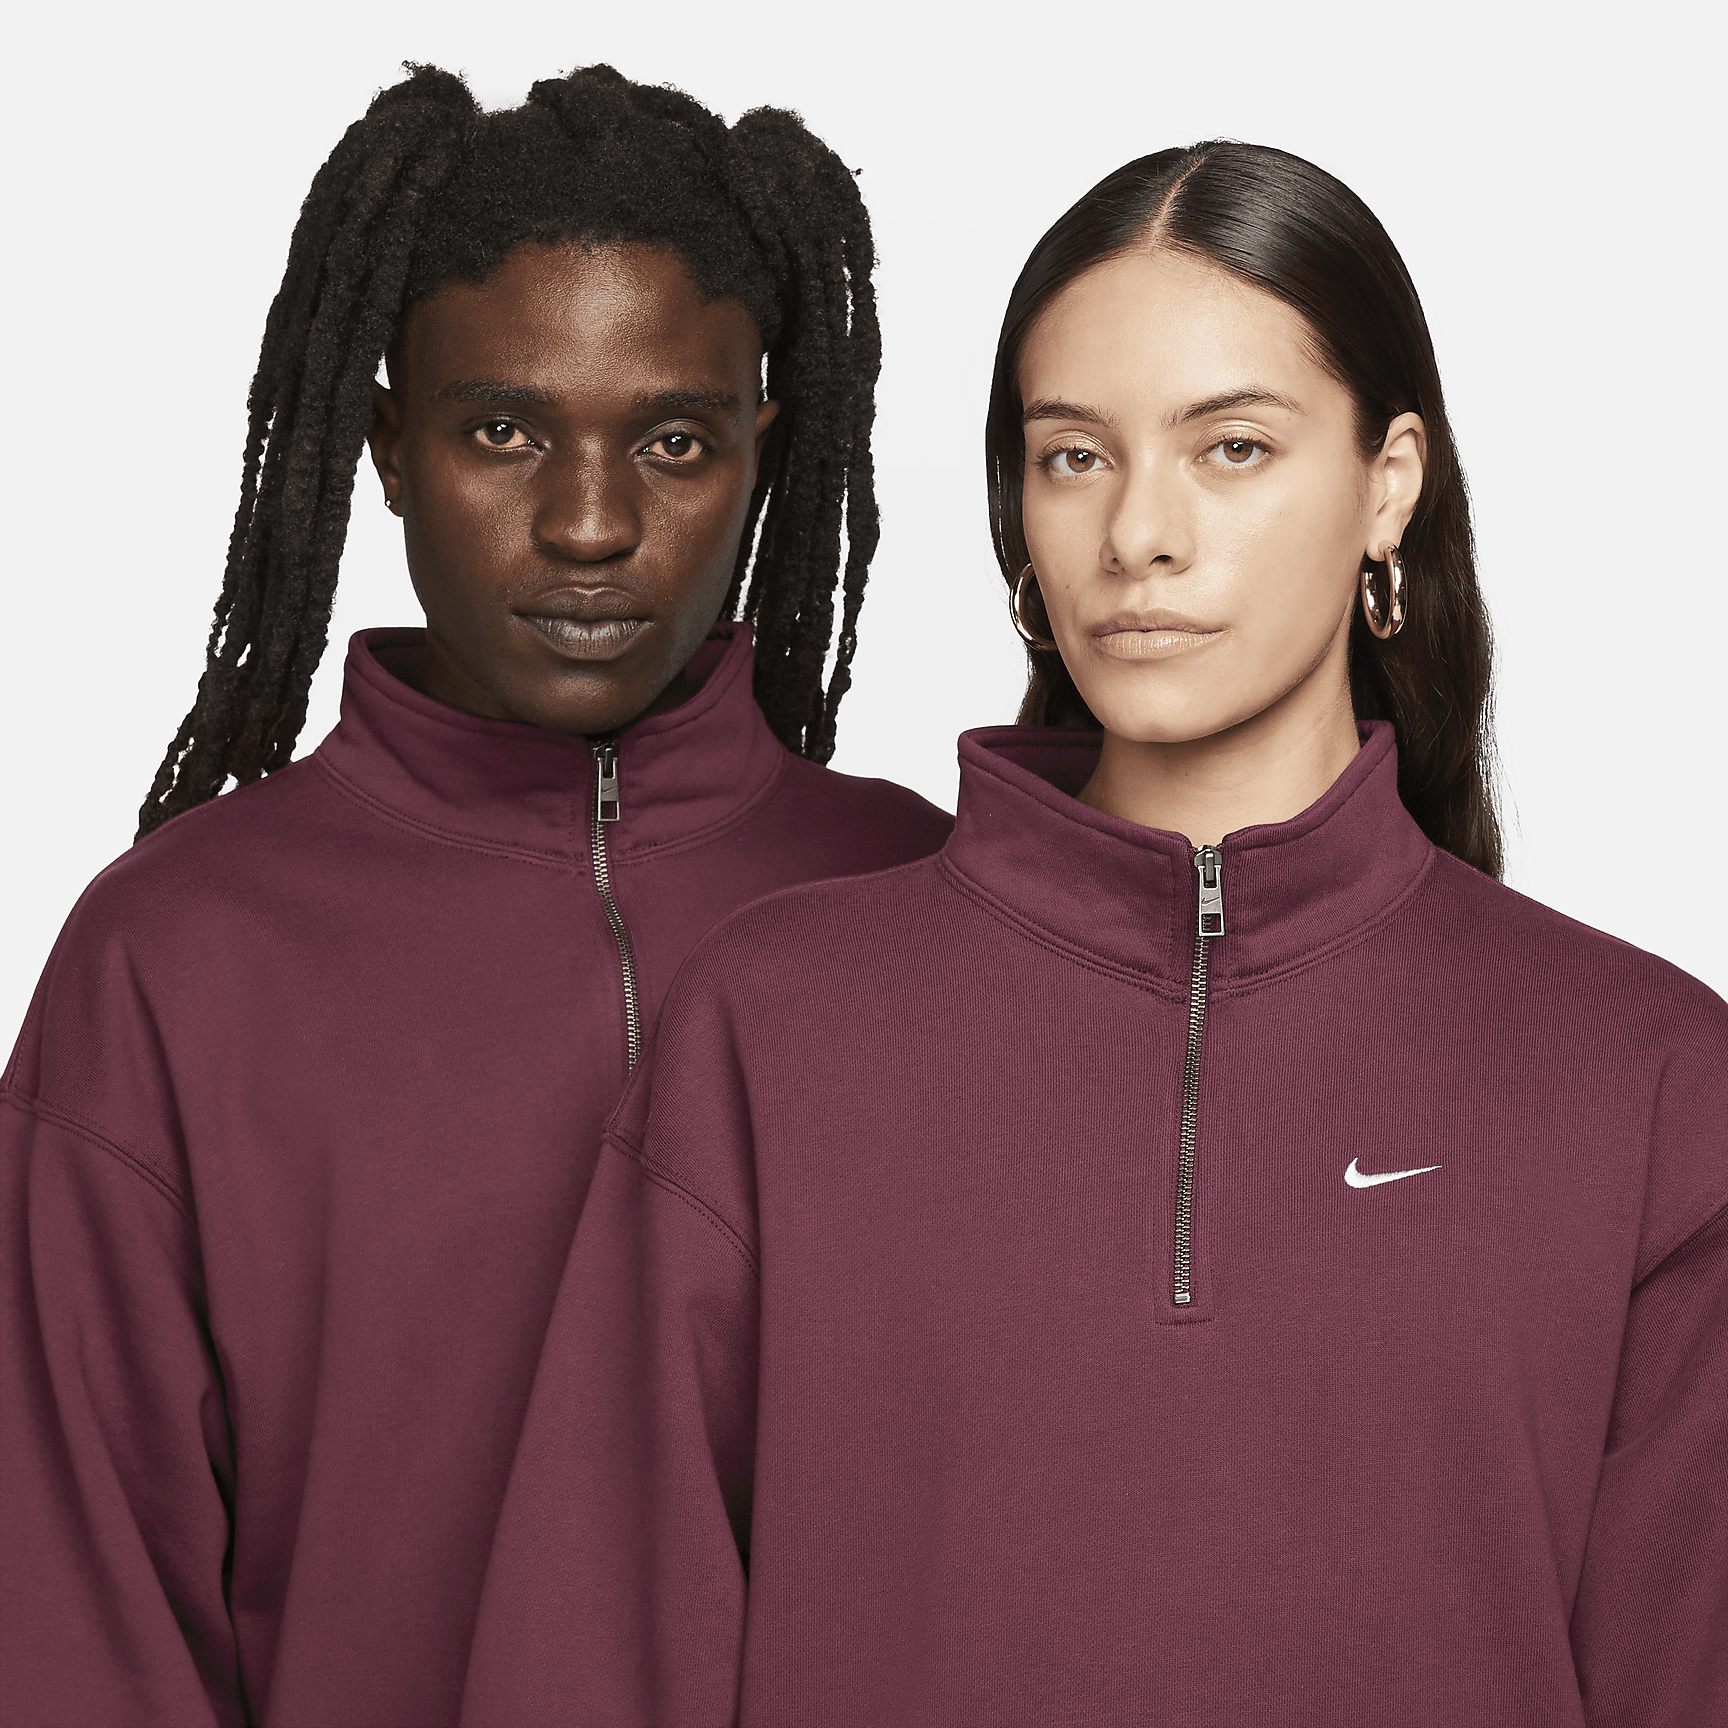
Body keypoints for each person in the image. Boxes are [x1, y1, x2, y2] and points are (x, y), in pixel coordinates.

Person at [461, 142, 1728, 1727]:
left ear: (1388, 482)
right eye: (1073, 456)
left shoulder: (1644, 1075)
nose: (1140, 534)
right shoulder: (777, 1027)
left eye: (1233, 448)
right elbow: (591, 1659)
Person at [0, 62, 951, 1727]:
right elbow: (77, 1623)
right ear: (385, 448)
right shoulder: (175, 957)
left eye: (673, 440)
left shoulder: (925, 902)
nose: (587, 524)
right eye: (503, 430)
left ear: (764, 455)